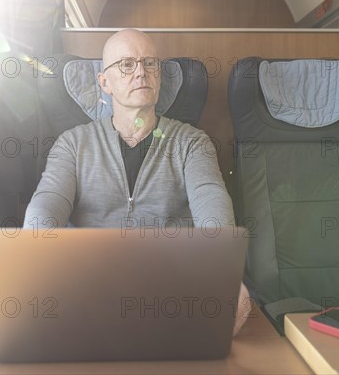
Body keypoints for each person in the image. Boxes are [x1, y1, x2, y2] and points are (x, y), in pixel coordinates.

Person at [24, 29, 250, 335]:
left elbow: (211, 202)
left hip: (172, 291)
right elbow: (47, 203)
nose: (141, 72)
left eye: (149, 64)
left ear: (159, 77)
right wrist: (34, 265)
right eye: (126, 64)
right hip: (92, 291)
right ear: (105, 83)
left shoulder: (192, 143)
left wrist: (225, 271)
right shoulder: (72, 144)